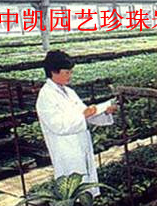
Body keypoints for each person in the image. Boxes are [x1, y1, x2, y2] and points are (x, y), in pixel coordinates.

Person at [36, 50, 117, 197]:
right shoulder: (46, 96)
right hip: (65, 148)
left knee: (86, 184)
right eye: (67, 72)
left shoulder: (69, 92)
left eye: (71, 72)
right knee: (72, 188)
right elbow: (58, 125)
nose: (70, 76)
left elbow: (86, 115)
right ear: (53, 72)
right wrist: (84, 115)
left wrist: (104, 112)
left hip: (80, 143)